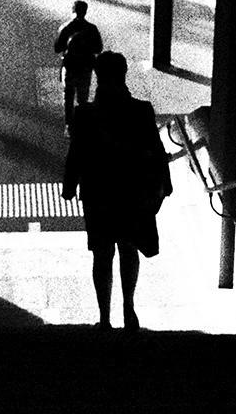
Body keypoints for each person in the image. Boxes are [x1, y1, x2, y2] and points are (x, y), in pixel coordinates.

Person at [62, 51, 173, 331]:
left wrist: (69, 185)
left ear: (98, 77)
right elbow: (157, 149)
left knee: (102, 255)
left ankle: (104, 318)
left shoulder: (85, 114)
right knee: (128, 248)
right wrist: (165, 184)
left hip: (98, 192)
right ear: (124, 75)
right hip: (133, 191)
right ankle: (129, 308)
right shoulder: (141, 110)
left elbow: (77, 153)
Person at [54, 0, 103, 137]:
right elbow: (98, 48)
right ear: (85, 12)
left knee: (68, 97)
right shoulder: (91, 28)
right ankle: (82, 125)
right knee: (82, 99)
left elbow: (57, 48)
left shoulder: (66, 27)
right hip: (85, 69)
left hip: (69, 67)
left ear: (72, 11)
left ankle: (69, 126)